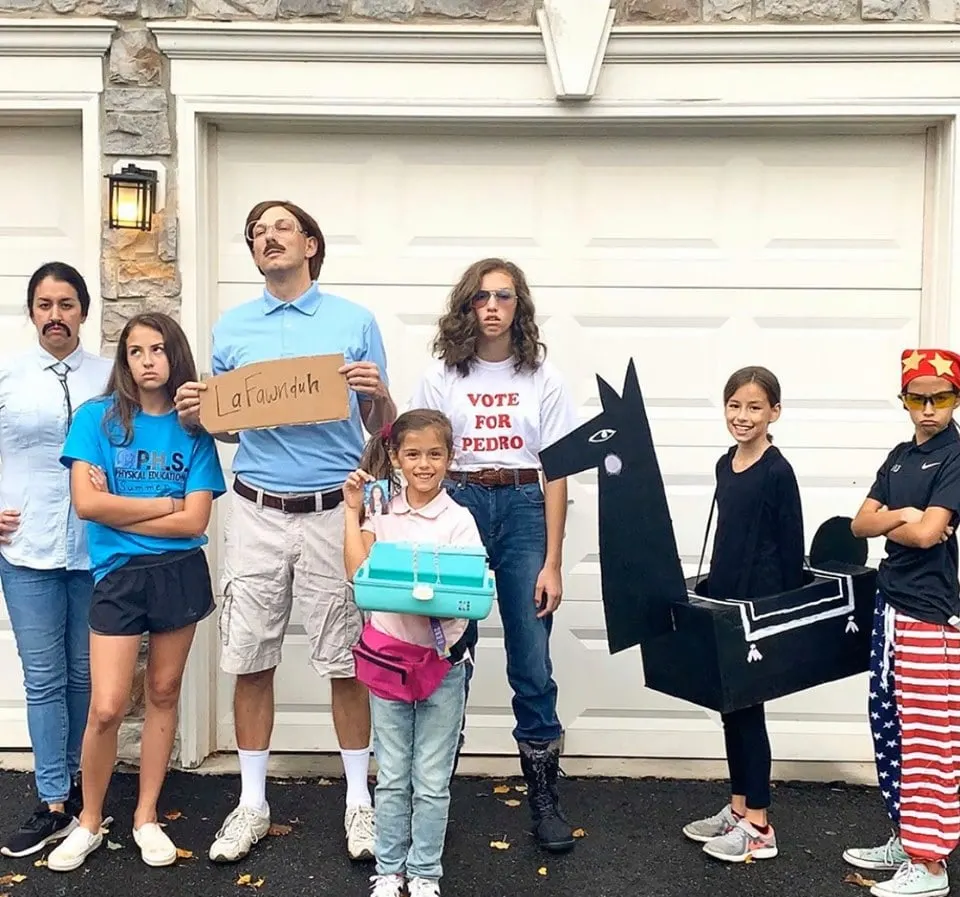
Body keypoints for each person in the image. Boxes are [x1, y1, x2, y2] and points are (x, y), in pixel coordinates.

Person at [173, 200, 396, 863]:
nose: (266, 238)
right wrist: (198, 414)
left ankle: (359, 801)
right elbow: (230, 427)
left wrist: (378, 392)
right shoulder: (233, 328)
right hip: (256, 511)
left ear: (310, 243)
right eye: (256, 234)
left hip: (333, 511)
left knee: (347, 660)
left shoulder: (353, 321)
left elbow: (382, 428)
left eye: (279, 228)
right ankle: (252, 803)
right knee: (250, 657)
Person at [409, 258, 578, 853]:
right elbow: (417, 456)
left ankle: (544, 797)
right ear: (467, 305)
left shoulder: (544, 378)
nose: (492, 307)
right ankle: (432, 791)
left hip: (525, 508)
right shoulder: (441, 376)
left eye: (504, 297)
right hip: (459, 506)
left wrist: (553, 561)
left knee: (531, 657)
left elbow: (558, 470)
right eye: (481, 297)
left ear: (518, 306)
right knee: (449, 649)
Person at [47, 312, 225, 872]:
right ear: (124, 361)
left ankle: (146, 816)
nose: (148, 361)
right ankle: (89, 821)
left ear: (176, 356)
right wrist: (167, 503)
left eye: (158, 349)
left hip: (179, 572)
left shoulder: (194, 430)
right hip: (118, 576)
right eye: (135, 351)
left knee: (164, 692)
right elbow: (87, 505)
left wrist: (123, 509)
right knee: (106, 706)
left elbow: (196, 521)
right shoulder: (96, 419)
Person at [344, 410, 482, 897]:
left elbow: (467, 596)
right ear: (396, 457)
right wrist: (352, 511)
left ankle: (424, 872)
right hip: (389, 662)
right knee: (392, 774)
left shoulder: (459, 520)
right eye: (413, 454)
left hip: (443, 665)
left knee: (432, 778)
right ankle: (389, 869)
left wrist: (404, 587)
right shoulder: (381, 513)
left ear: (450, 457)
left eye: (435, 454)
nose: (424, 464)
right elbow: (358, 575)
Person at [0, 263, 113, 857]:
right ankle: (51, 800)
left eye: (66, 304)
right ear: (31, 313)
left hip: (97, 549)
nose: (55, 315)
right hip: (27, 547)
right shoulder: (10, 375)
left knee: (84, 676)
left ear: (83, 312)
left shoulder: (109, 376)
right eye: (44, 305)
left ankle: (77, 789)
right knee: (43, 678)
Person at [842, 349, 960, 897]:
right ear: (904, 400)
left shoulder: (955, 455)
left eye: (941, 397)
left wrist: (901, 522)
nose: (929, 408)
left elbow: (929, 534)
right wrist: (903, 516)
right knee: (891, 726)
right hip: (888, 608)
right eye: (918, 398)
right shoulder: (898, 456)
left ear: (956, 398)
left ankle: (930, 864)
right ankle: (905, 838)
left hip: (929, 614)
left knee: (930, 737)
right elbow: (857, 524)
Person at [682, 366, 804, 863]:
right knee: (731, 707)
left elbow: (791, 543)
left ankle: (759, 826)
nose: (743, 416)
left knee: (749, 712)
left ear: (775, 412)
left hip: (762, 606)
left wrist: (783, 612)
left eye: (755, 407)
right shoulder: (724, 463)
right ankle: (738, 809)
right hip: (727, 601)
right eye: (735, 405)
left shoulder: (777, 471)